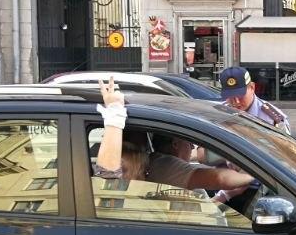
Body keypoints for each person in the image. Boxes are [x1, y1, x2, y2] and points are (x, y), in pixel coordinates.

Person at [94, 77, 253, 191]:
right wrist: (254, 175)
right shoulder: (158, 167)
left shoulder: (148, 170)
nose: (191, 147)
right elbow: (220, 178)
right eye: (189, 143)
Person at [217, 67, 291, 134]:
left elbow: (285, 147)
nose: (236, 101)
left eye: (240, 95)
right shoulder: (218, 113)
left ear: (252, 88)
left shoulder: (272, 120)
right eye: (230, 96)